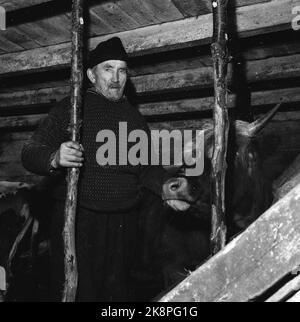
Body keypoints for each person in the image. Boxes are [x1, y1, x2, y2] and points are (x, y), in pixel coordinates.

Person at [21, 37, 170, 302]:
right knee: (78, 293)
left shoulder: (135, 119)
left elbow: (147, 169)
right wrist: (55, 157)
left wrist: (167, 189)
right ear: (91, 74)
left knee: (117, 295)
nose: (116, 77)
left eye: (122, 70)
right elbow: (30, 152)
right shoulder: (72, 107)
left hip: (124, 223)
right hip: (80, 221)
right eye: (108, 68)